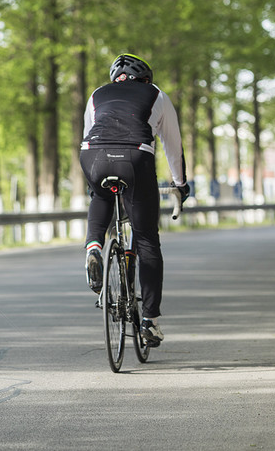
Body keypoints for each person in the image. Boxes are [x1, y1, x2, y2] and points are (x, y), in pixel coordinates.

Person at [80, 53, 189, 347]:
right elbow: (173, 145)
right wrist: (180, 184)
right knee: (147, 240)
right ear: (145, 77)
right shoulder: (157, 95)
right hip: (135, 155)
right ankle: (149, 322)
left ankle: (93, 247)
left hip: (92, 155)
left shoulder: (96, 95)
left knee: (100, 195)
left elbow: (87, 133)